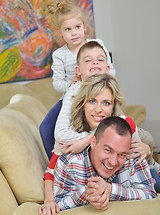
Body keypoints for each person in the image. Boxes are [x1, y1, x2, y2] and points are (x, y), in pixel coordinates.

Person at [39, 73, 149, 215]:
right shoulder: (70, 141)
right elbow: (51, 171)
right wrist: (49, 200)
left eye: (106, 103)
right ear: (83, 104)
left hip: (146, 165)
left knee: (149, 146)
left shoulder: (123, 128)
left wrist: (148, 151)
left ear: (113, 107)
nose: (98, 109)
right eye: (92, 101)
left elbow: (147, 187)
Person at [39, 0, 115, 159]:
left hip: (99, 93)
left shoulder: (96, 44)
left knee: (115, 122)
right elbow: (57, 83)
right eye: (68, 29)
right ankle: (56, 163)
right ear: (60, 32)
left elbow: (111, 70)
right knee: (46, 128)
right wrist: (71, 83)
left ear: (84, 27)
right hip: (73, 97)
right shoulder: (60, 55)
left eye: (77, 27)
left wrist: (103, 78)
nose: (73, 33)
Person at [46, 116, 157, 212]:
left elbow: (150, 194)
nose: (113, 162)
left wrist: (111, 190)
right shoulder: (69, 162)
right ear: (93, 142)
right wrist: (88, 193)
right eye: (108, 150)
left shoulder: (133, 156)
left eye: (122, 155)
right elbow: (58, 205)